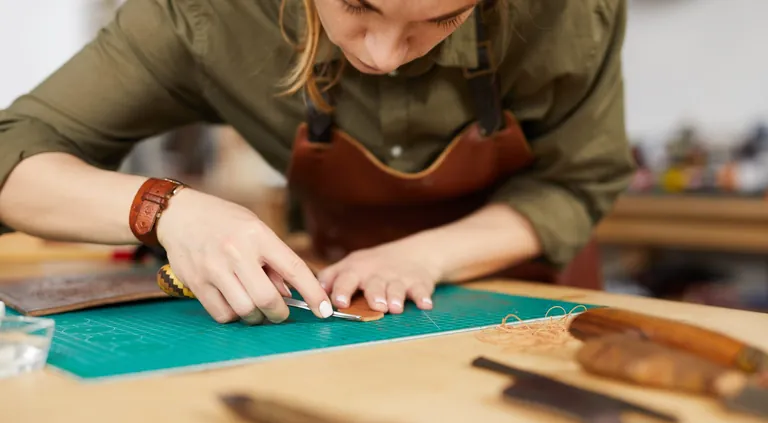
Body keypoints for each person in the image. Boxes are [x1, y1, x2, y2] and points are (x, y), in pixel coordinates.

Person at [0, 0, 634, 325]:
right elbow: (14, 147)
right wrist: (167, 211)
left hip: (530, 309)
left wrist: (425, 256)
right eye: (358, 6)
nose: (385, 55)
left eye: (443, 18)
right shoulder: (205, 16)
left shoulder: (569, 12)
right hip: (330, 314)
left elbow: (578, 181)